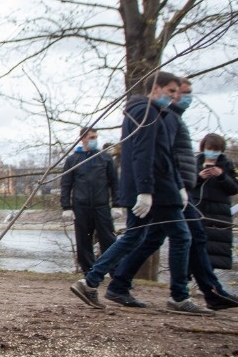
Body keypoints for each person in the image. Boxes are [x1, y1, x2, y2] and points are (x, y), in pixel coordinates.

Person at [70, 72, 211, 314]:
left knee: (134, 237)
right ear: (156, 88)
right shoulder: (145, 113)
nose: (175, 97)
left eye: (177, 93)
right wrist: (145, 191)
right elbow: (143, 154)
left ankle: (92, 281)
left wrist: (179, 185)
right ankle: (178, 296)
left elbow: (165, 154)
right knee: (180, 237)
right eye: (171, 91)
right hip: (156, 189)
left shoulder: (155, 113)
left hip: (161, 187)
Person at [100, 81, 238, 310]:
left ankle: (118, 283)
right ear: (162, 91)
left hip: (171, 189)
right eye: (178, 93)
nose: (183, 97)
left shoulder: (168, 117)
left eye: (184, 93)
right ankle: (190, 294)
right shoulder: (165, 117)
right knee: (186, 237)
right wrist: (175, 187)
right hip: (170, 190)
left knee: (152, 238)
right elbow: (164, 156)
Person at [60, 127, 117, 273]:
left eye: (96, 137)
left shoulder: (105, 158)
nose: (94, 140)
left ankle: (116, 273)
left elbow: (115, 182)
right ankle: (90, 274)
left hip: (101, 206)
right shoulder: (73, 160)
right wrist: (66, 207)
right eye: (91, 137)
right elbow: (66, 184)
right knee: (84, 243)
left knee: (109, 241)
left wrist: (117, 204)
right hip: (81, 208)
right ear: (82, 139)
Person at [194, 133, 238, 270]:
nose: (212, 153)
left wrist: (222, 176)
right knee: (191, 246)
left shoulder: (228, 165)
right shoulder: (194, 162)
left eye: (216, 150)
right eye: (210, 149)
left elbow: (234, 189)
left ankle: (209, 283)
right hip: (196, 210)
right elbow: (184, 185)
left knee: (213, 250)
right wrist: (199, 177)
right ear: (203, 148)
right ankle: (186, 280)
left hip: (218, 214)